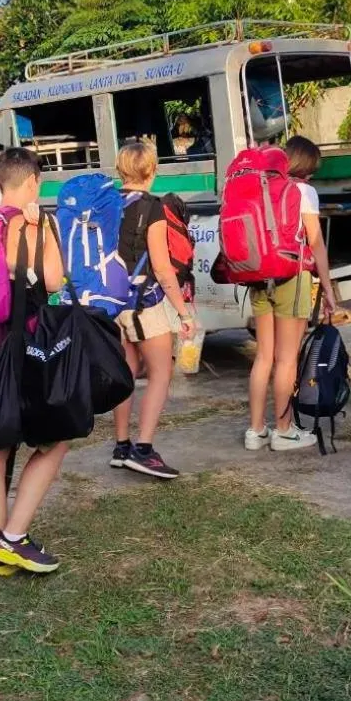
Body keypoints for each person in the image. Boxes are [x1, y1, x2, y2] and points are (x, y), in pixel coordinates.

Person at [0, 147, 70, 576]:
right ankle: (14, 536)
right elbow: (52, 280)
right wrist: (44, 233)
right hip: (27, 346)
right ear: (32, 182)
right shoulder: (37, 223)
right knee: (55, 439)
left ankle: (0, 546)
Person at [110, 140, 198, 479]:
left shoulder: (108, 203)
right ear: (152, 170)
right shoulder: (154, 208)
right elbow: (162, 268)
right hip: (144, 300)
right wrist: (184, 313)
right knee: (161, 372)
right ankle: (143, 449)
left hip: (113, 301)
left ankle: (121, 446)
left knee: (125, 372)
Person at [245, 135, 338, 451]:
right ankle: (283, 430)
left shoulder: (262, 186)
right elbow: (316, 244)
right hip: (292, 276)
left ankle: (255, 430)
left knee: (263, 357)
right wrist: (328, 290)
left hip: (259, 276)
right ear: (307, 167)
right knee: (287, 359)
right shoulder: (304, 192)